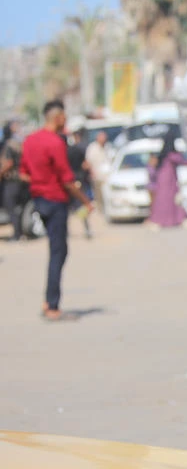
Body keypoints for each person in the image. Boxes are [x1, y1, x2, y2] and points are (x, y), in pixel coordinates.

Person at [20, 100, 93, 321]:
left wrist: (39, 183)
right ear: (59, 117)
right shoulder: (54, 142)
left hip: (39, 200)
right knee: (58, 252)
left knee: (56, 250)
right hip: (55, 201)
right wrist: (86, 202)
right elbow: (67, 179)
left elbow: (24, 174)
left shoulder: (30, 141)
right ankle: (52, 304)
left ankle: (48, 300)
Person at [147, 127, 187, 228]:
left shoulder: (164, 155)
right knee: (169, 201)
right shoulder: (171, 155)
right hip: (168, 182)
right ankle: (170, 220)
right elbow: (183, 161)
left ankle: (165, 220)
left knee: (164, 201)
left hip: (163, 182)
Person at [1, 120, 25, 241]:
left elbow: (9, 163)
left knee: (11, 207)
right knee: (16, 208)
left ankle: (17, 234)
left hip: (12, 181)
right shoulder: (16, 143)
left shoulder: (10, 145)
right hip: (18, 180)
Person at [66, 129, 93, 238]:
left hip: (69, 180)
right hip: (79, 179)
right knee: (82, 204)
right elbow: (85, 164)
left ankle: (67, 231)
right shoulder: (79, 149)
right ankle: (87, 229)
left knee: (68, 207)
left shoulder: (66, 151)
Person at [84, 130, 112, 213]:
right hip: (97, 176)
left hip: (108, 176)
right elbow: (88, 162)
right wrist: (92, 173)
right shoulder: (92, 148)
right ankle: (101, 211)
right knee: (99, 195)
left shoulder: (108, 147)